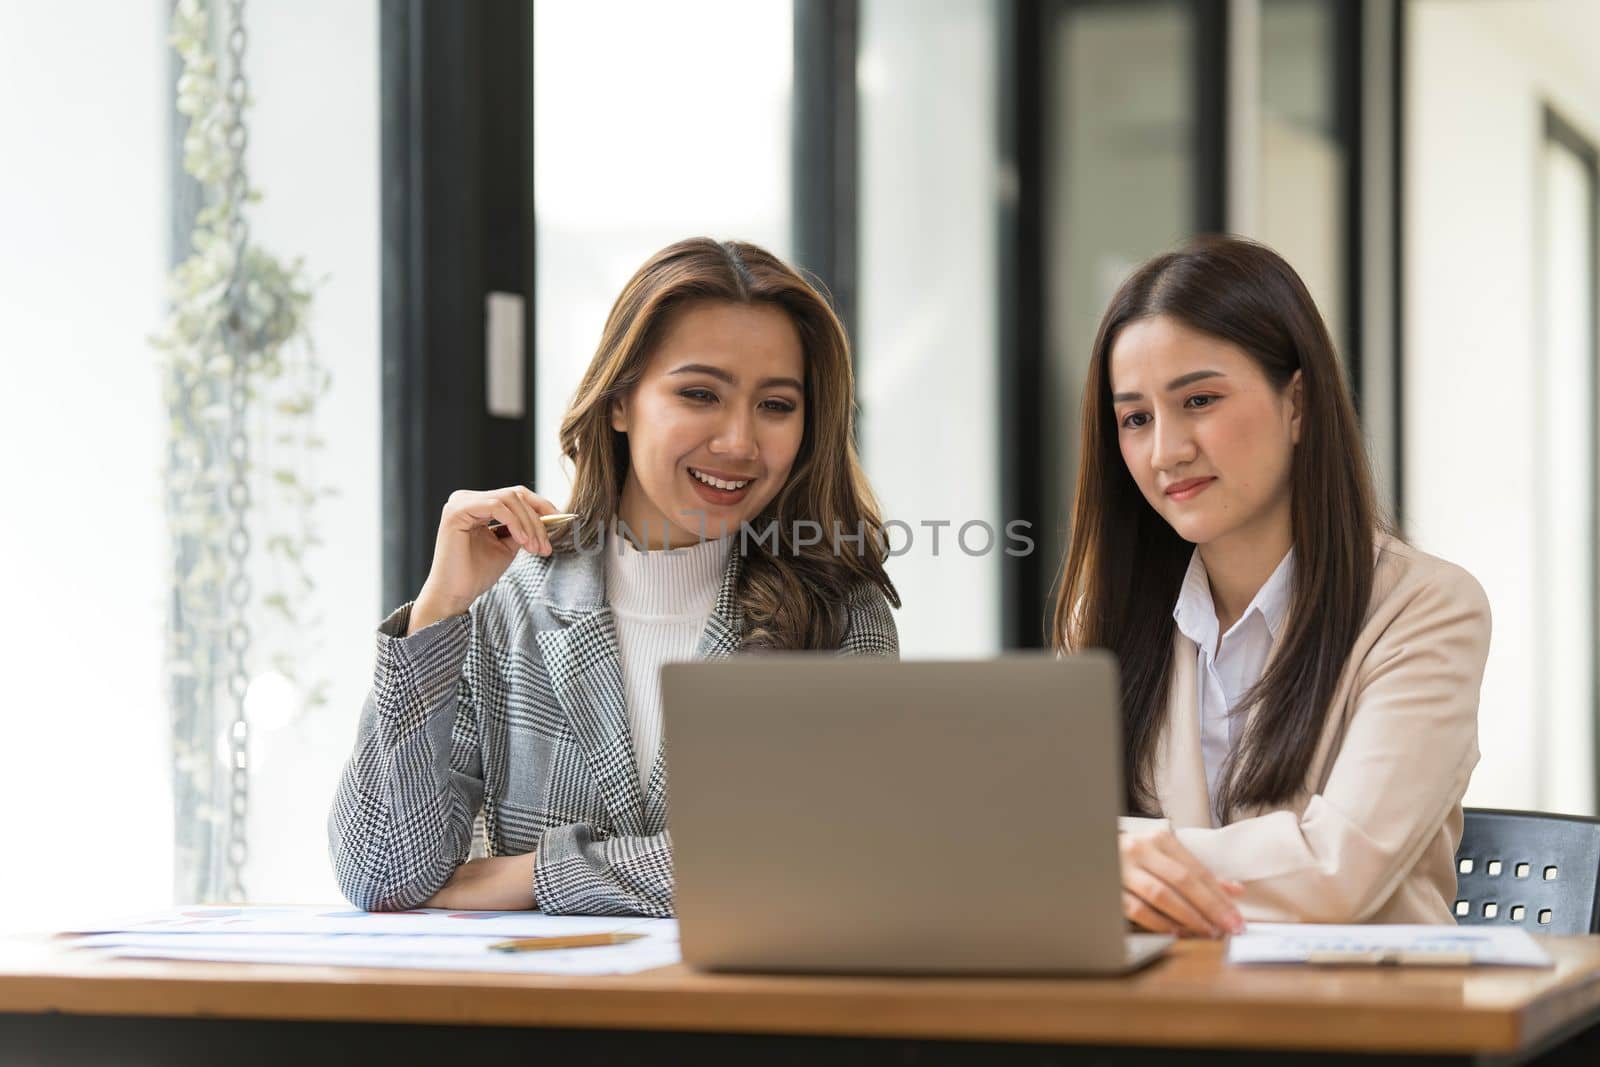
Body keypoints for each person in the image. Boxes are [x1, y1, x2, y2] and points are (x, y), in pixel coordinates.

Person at [330, 238, 900, 916]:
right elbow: (384, 872)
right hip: (543, 1019)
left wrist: (544, 873)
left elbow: (828, 858)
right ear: (620, 401)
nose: (741, 442)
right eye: (700, 393)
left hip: (749, 1016)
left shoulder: (839, 612)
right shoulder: (511, 603)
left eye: (776, 405)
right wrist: (441, 607)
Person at [1053, 235, 1491, 934]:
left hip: (1360, 1024)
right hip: (1162, 1019)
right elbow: (1042, 844)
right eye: (1136, 417)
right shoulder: (1102, 618)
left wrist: (1106, 857)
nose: (1166, 450)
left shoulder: (1425, 608)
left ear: (1298, 403)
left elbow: (1334, 871)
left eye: (1199, 399)